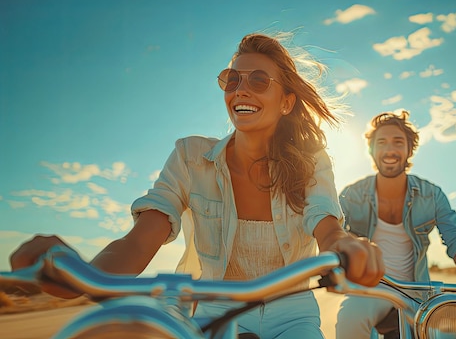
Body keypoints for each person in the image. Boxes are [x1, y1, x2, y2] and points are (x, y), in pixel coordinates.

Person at [9, 32, 385, 339]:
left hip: (293, 315)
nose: (241, 89)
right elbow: (141, 240)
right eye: (232, 79)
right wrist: (79, 273)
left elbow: (327, 226)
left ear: (286, 102)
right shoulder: (190, 156)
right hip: (215, 309)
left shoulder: (311, 158)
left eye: (258, 80)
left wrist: (347, 245)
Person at [335, 109, 456, 339]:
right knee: (349, 318)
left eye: (398, 142)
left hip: (417, 293)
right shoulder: (351, 196)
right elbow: (335, 237)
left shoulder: (432, 195)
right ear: (371, 150)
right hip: (368, 290)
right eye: (382, 142)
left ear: (409, 150)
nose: (389, 149)